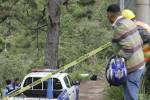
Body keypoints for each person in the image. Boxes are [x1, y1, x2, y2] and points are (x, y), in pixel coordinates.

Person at [106, 4, 145, 100]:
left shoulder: (120, 27)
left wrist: (116, 58)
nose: (107, 18)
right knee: (132, 94)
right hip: (140, 64)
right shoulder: (129, 22)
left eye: (107, 16)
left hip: (132, 68)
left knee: (130, 97)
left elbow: (128, 49)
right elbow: (140, 41)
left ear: (110, 15)